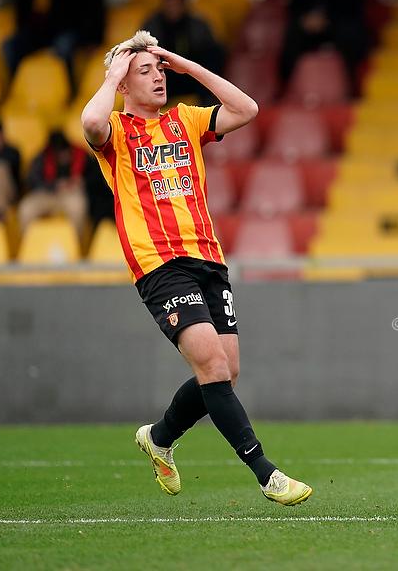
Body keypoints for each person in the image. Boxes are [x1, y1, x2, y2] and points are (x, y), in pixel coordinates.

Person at [80, 30, 312, 506]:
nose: (158, 77)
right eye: (144, 71)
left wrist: (185, 65)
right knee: (211, 363)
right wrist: (114, 73)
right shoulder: (116, 133)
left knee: (226, 371)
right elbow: (90, 120)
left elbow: (247, 109)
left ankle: (159, 437)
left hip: (208, 257)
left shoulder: (184, 119)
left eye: (159, 69)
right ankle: (266, 473)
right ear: (123, 82)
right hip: (159, 263)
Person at [2, 0, 105, 93]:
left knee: (63, 45)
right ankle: (14, 89)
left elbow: (95, 7)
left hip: (68, 29)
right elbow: (23, 2)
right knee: (10, 46)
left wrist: (94, 38)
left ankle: (70, 91)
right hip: (39, 31)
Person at [277, 0, 370, 97]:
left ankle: (351, 88)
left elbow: (354, 8)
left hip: (339, 25)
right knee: (292, 34)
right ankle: (285, 87)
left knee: (349, 34)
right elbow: (296, 5)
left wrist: (327, 20)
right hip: (311, 27)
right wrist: (306, 19)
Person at [142, 0, 225, 106]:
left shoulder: (198, 26)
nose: (173, 8)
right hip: (165, 77)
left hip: (192, 78)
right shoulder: (152, 26)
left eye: (176, 3)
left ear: (183, 3)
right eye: (170, 3)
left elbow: (212, 55)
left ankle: (208, 104)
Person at [17, 131, 91, 239]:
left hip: (71, 194)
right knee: (26, 209)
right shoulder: (42, 157)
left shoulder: (81, 154)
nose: (63, 156)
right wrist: (54, 185)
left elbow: (95, 178)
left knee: (78, 208)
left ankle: (76, 244)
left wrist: (82, 181)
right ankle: (27, 243)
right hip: (47, 194)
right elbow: (32, 181)